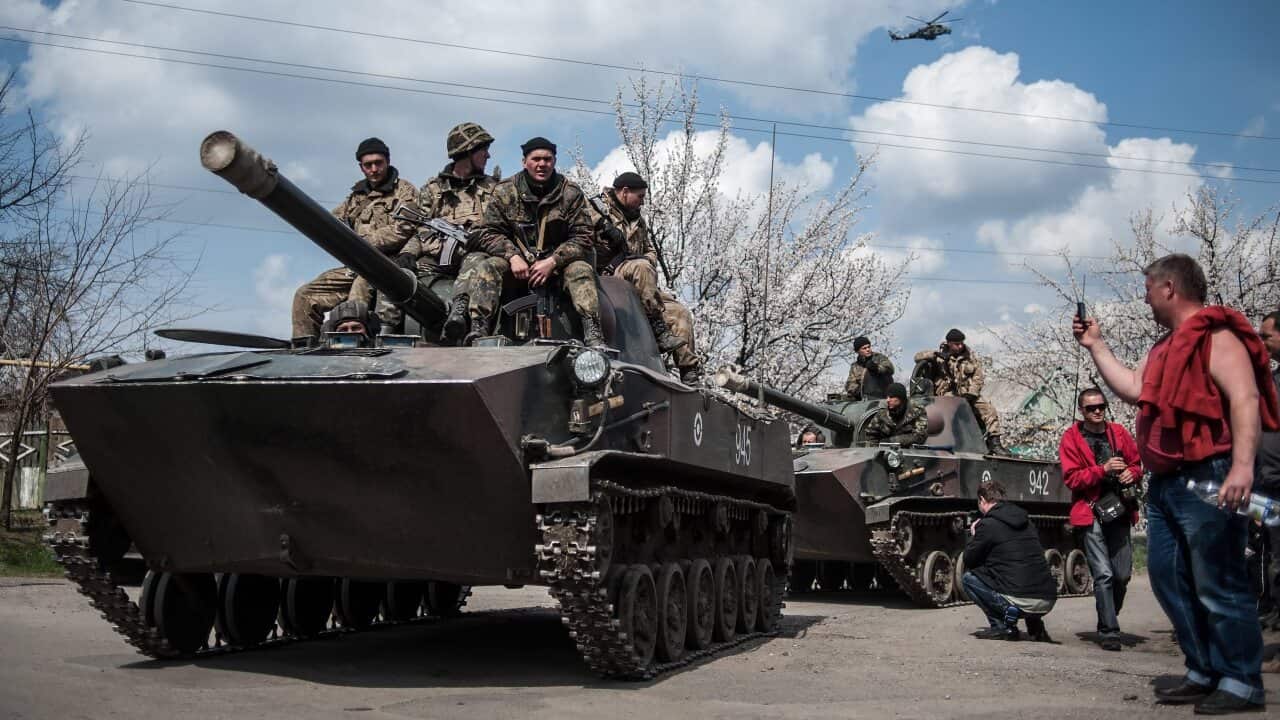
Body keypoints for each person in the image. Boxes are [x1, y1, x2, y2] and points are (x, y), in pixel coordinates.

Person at [1074, 253, 1279, 714]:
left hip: (1209, 475)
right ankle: (1203, 669)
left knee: (1218, 581)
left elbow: (1244, 398)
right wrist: (1096, 345)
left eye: (1148, 288)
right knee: (1169, 580)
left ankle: (1242, 681)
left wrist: (1242, 467)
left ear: (1169, 288)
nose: (1145, 297)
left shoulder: (1216, 337)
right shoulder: (1165, 347)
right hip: (1166, 484)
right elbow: (1133, 388)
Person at [464, 137, 604, 346]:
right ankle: (479, 328)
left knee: (581, 271)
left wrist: (554, 261)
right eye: (536, 159)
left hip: (558, 265)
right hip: (517, 263)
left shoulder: (570, 193)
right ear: (524, 162)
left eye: (547, 159)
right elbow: (488, 232)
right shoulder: (505, 191)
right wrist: (512, 256)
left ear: (554, 161)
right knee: (487, 267)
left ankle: (593, 331)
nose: (542, 164)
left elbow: (583, 235)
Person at [291, 137, 418, 339]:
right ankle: (303, 348)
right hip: (355, 266)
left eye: (379, 163)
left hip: (387, 266)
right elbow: (331, 224)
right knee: (305, 295)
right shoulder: (356, 198)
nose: (374, 169)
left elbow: (404, 228)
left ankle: (354, 347)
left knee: (358, 292)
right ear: (361, 168)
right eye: (368, 165)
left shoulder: (404, 191)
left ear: (388, 161)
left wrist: (362, 242)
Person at [1059, 387, 1142, 652]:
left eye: (1101, 407)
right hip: (1090, 509)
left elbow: (1137, 463)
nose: (1097, 411)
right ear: (1081, 411)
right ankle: (1109, 630)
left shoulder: (1119, 433)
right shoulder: (1071, 438)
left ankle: (1108, 615)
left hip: (1119, 509)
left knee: (1122, 574)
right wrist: (1101, 470)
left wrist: (1132, 473)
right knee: (1103, 574)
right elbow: (1071, 478)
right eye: (1091, 408)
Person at [396, 122, 498, 340]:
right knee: (394, 276)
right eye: (483, 150)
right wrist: (408, 253)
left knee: (477, 259)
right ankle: (388, 331)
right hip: (435, 258)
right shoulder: (433, 189)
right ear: (467, 152)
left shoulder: (492, 189)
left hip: (471, 257)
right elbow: (419, 228)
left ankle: (459, 311)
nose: (488, 156)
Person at [587, 172, 686, 354]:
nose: (642, 202)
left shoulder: (638, 222)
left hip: (639, 281)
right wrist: (604, 229)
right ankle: (657, 328)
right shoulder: (596, 209)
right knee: (641, 267)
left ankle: (690, 372)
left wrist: (646, 259)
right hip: (607, 279)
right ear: (625, 191)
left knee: (679, 312)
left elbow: (650, 251)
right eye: (640, 197)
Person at [961, 480, 1057, 642]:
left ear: (982, 500)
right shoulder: (1027, 521)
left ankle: (1002, 627)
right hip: (1047, 601)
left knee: (969, 579)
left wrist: (975, 535)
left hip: (1019, 603)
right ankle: (1036, 627)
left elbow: (969, 559)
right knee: (1021, 569)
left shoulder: (988, 525)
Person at [914, 329, 1006, 454]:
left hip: (968, 394)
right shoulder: (940, 356)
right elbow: (917, 357)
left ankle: (994, 443)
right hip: (947, 394)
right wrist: (935, 355)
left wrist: (972, 394)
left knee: (989, 410)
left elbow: (978, 378)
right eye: (956, 344)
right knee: (948, 412)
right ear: (949, 343)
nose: (960, 346)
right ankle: (947, 444)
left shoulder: (970, 357)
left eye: (961, 343)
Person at [1257, 311, 1280, 646]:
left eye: (1266, 336)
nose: (1261, 342)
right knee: (1270, 560)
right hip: (1266, 487)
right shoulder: (1272, 379)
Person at [863, 382, 928, 446]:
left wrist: (892, 441)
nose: (888, 400)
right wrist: (876, 449)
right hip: (885, 451)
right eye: (887, 397)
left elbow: (920, 436)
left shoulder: (917, 410)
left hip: (910, 452)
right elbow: (870, 434)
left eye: (891, 397)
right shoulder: (882, 412)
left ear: (900, 398)